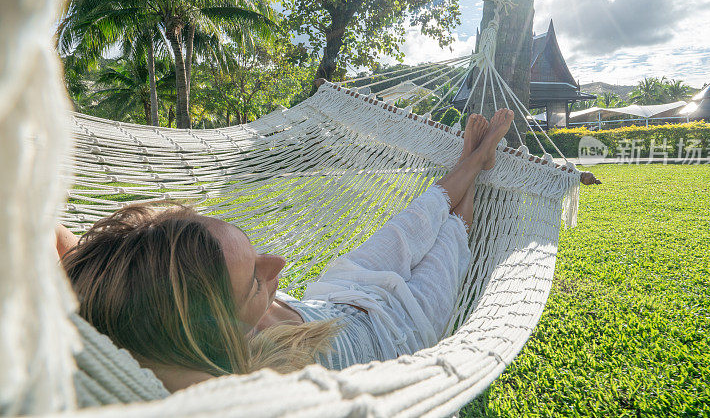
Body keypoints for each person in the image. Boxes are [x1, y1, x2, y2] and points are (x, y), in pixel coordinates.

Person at [58, 109, 599, 393]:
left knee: (420, 214)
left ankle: (467, 163)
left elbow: (49, 240)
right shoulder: (230, 380)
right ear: (209, 330)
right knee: (454, 233)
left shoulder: (135, 286)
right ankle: (476, 171)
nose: (279, 266)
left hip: (339, 292)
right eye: (255, 280)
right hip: (401, 325)